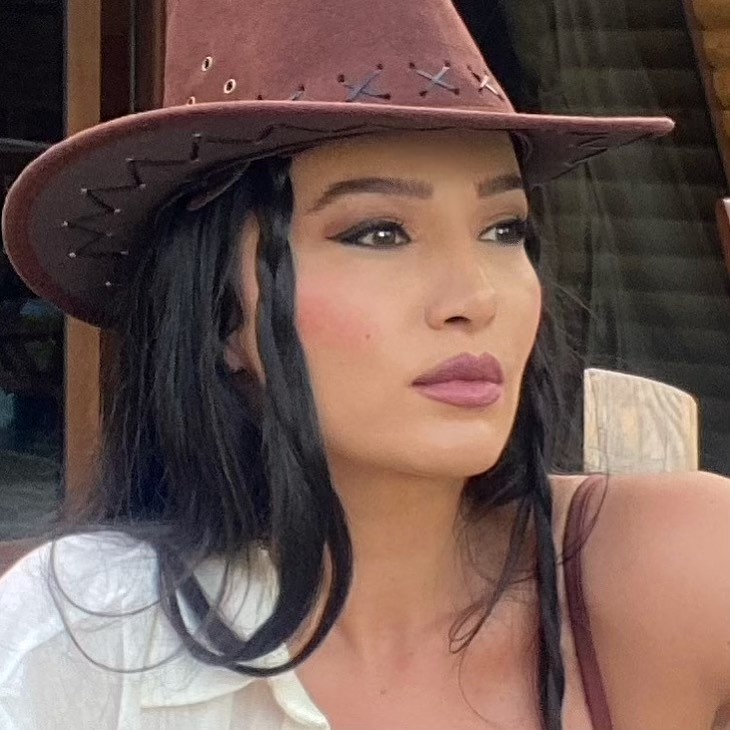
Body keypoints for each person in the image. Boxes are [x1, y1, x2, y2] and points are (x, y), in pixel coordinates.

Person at [1, 0, 729, 728]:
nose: (474, 297)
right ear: (222, 314)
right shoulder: (85, 638)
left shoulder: (673, 566)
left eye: (504, 229)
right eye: (380, 233)